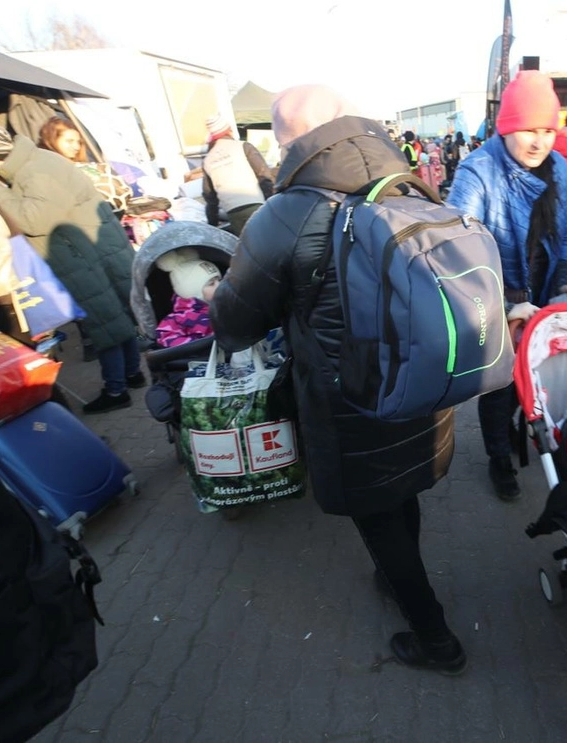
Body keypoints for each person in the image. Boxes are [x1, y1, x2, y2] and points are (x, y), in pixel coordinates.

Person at [209, 83, 465, 675]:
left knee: (375, 510)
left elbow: (235, 322)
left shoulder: (288, 212)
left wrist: (215, 295)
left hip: (348, 399)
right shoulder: (407, 183)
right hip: (421, 384)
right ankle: (394, 576)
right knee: (402, 486)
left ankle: (436, 640)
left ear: (286, 139)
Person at [446, 70, 567, 501]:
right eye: (528, 130)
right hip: (497, 295)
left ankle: (533, 432)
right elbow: (457, 251)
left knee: (539, 372)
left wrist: (563, 284)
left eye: (547, 130)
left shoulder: (558, 165)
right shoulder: (477, 171)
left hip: (544, 285)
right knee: (500, 383)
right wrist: (502, 306)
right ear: (506, 127)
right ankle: (498, 457)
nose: (539, 142)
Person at [0, 122, 144, 414]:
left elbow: (32, 220)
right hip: (90, 250)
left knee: (105, 322)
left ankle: (116, 389)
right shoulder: (32, 163)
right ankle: (132, 374)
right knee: (115, 317)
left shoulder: (36, 170)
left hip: (83, 256)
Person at [37, 115, 133, 216]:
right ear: (52, 140)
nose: (76, 147)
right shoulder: (44, 170)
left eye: (79, 142)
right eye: (70, 141)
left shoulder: (85, 168)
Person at [201, 113, 274, 236]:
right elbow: (264, 175)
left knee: (250, 248)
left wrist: (212, 223)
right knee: (270, 241)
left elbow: (210, 197)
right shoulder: (243, 146)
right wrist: (271, 203)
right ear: (229, 130)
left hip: (233, 213)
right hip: (256, 205)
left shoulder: (208, 160)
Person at [154, 248, 220, 348]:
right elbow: (166, 339)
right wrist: (199, 344)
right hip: (200, 359)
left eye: (219, 280)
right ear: (193, 291)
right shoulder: (178, 318)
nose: (219, 286)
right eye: (211, 284)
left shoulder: (226, 307)